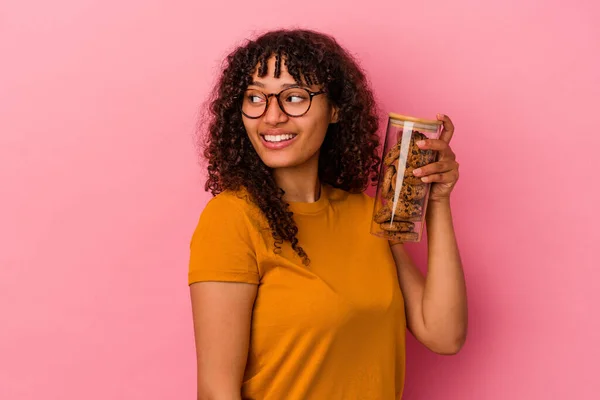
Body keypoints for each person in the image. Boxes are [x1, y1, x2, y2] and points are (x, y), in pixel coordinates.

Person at [188, 28, 467, 400]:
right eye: (255, 97)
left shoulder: (368, 214)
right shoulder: (232, 219)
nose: (272, 116)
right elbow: (215, 391)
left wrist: (437, 202)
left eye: (294, 97)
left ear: (335, 108)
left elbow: (444, 334)